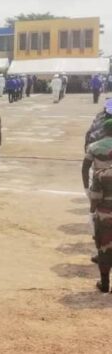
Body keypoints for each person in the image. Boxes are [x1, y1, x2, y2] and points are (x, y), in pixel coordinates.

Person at [82, 119, 112, 292]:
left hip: (104, 214)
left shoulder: (101, 174)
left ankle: (105, 284)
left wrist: (92, 212)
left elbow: (96, 197)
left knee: (103, 248)